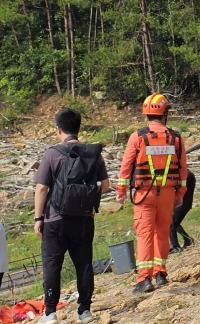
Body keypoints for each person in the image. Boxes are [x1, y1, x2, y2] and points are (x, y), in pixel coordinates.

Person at [34, 108, 109, 323]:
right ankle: (84, 311)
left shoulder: (52, 153)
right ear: (79, 128)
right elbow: (105, 186)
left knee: (52, 264)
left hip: (55, 220)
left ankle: (50, 313)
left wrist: (38, 219)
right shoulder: (92, 153)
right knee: (83, 263)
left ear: (58, 129)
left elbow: (41, 188)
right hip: (84, 218)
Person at [117, 94, 188, 294]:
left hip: (144, 195)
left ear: (146, 114)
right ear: (165, 114)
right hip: (167, 194)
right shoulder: (175, 138)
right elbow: (183, 169)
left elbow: (126, 166)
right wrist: (180, 193)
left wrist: (121, 190)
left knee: (145, 235)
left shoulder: (137, 137)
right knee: (162, 233)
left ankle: (144, 279)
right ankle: (160, 273)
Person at [169, 171, 196, 252]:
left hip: (182, 204)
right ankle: (188, 240)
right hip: (182, 203)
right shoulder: (186, 174)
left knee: (171, 223)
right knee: (173, 222)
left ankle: (176, 247)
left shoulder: (185, 175)